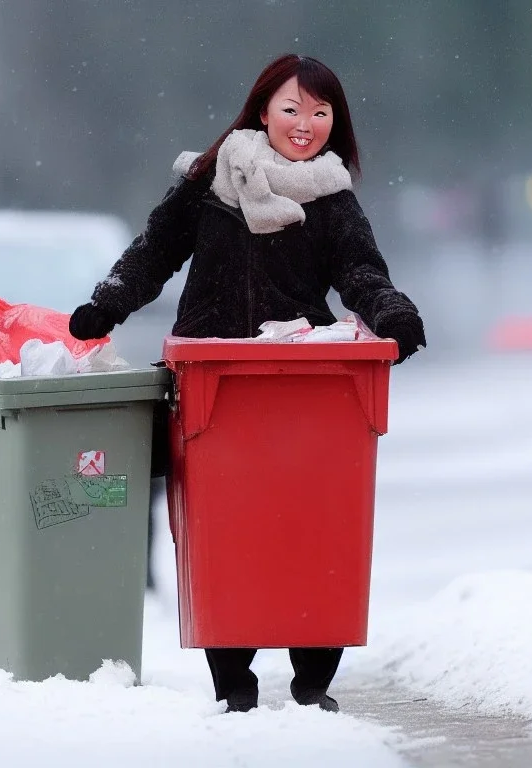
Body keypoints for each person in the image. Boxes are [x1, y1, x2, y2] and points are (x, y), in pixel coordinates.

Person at [69, 54, 426, 714]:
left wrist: (394, 314)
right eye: (292, 108)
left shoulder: (332, 199)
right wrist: (107, 304)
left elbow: (361, 274)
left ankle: (313, 679)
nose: (306, 124)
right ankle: (233, 681)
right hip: (212, 374)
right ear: (262, 109)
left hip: (303, 377)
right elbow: (152, 254)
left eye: (321, 113)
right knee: (222, 531)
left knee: (309, 527)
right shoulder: (209, 185)